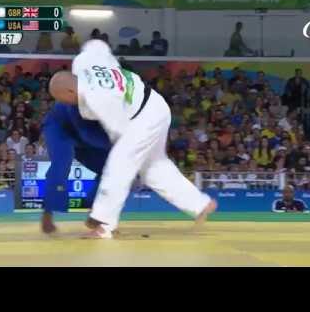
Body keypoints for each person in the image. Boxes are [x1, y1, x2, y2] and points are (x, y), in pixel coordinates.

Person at [49, 39, 216, 239]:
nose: (66, 104)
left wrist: (98, 213)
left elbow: (120, 133)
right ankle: (199, 204)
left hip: (143, 117)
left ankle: (103, 224)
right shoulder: (83, 62)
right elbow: (96, 46)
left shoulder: (98, 100)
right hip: (154, 104)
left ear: (70, 91)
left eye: (63, 99)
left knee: (119, 164)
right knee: (153, 168)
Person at [40, 102, 112, 234]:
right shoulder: (89, 92)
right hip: (60, 125)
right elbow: (87, 134)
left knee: (111, 169)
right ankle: (48, 211)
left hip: (92, 131)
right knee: (61, 163)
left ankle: (96, 212)